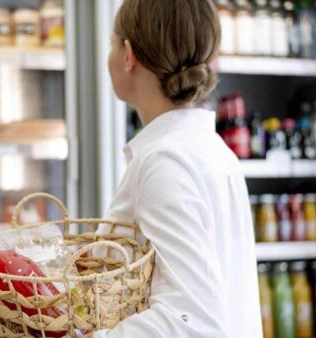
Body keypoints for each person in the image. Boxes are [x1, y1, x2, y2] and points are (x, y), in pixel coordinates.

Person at [94, 0, 262, 337]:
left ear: (129, 55)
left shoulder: (164, 161)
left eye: (113, 44)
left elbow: (192, 322)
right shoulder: (211, 150)